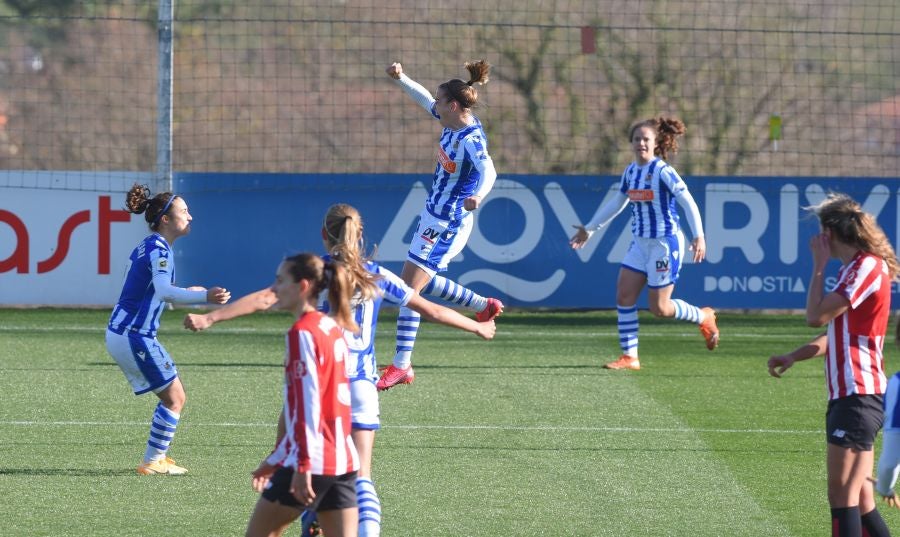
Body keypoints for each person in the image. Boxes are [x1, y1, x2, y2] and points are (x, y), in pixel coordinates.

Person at [185, 204, 496, 537]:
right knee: (360, 476)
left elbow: (264, 298)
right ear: (360, 234)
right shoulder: (374, 274)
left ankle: (313, 518)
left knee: (306, 462)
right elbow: (430, 309)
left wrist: (210, 317)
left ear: (324, 234)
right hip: (361, 388)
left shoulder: (317, 275)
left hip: (321, 383)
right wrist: (477, 327)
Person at [767, 192, 898, 537]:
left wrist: (818, 265)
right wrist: (794, 356)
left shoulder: (866, 267)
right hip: (853, 397)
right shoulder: (855, 269)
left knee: (842, 497)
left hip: (859, 396)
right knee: (862, 499)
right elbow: (839, 337)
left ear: (829, 233)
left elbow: (814, 316)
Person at [379, 60, 504, 390]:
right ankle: (482, 305)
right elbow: (422, 99)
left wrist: (480, 194)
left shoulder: (470, 139)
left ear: (452, 105)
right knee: (418, 284)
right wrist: (402, 77)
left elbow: (489, 170)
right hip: (432, 216)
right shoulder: (450, 122)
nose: (433, 104)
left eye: (439, 99)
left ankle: (402, 364)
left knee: (409, 290)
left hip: (448, 222)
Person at [569, 116, 718, 370]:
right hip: (639, 243)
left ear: (655, 142)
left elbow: (688, 202)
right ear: (632, 143)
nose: (641, 144)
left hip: (664, 244)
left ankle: (703, 316)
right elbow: (617, 203)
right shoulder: (630, 172)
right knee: (624, 295)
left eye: (646, 139)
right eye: (637, 139)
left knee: (660, 308)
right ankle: (630, 357)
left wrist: (699, 235)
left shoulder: (663, 172)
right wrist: (590, 229)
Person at [105, 183, 230, 475]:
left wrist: (186, 290)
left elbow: (153, 290)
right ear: (165, 219)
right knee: (176, 397)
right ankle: (152, 461)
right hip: (132, 334)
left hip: (126, 331)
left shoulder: (150, 246)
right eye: (184, 211)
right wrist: (204, 296)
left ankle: (156, 459)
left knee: (174, 395)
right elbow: (163, 291)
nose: (190, 216)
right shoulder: (159, 250)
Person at [244, 253, 362, 537]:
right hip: (344, 458)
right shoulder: (332, 327)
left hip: (313, 460)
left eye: (280, 280)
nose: (273, 289)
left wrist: (301, 465)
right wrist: (275, 460)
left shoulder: (302, 333)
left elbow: (309, 405)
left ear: (303, 287)